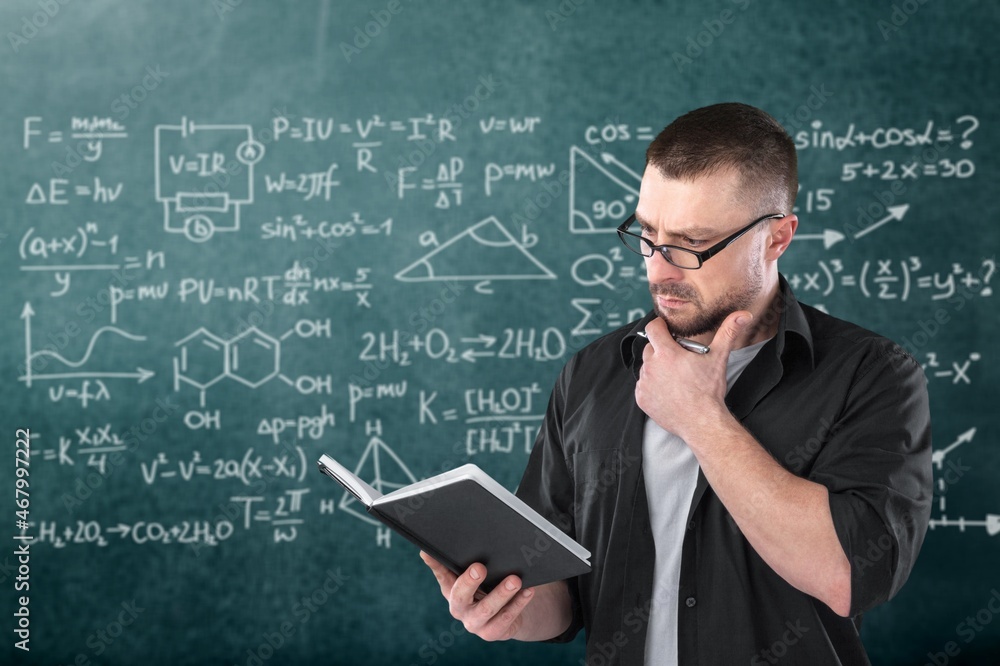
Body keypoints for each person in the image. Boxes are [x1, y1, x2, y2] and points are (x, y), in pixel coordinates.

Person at [421, 102, 932, 665]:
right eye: (647, 234)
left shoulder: (872, 376)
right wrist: (509, 610)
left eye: (690, 245)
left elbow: (850, 576)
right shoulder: (593, 373)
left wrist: (700, 418)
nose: (659, 268)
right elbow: (562, 595)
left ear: (777, 239)